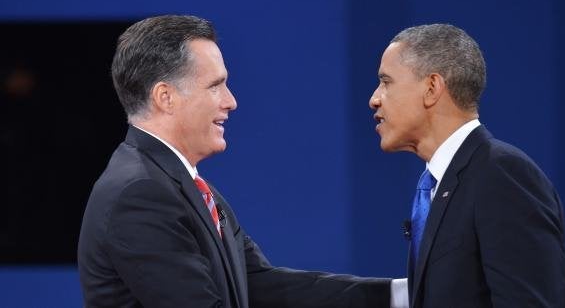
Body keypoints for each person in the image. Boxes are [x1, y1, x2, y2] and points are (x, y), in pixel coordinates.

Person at [78, 15, 406, 308]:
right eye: (215, 86)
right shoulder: (141, 193)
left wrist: (396, 295)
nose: (231, 101)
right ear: (166, 97)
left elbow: (258, 284)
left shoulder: (179, 185)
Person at [369, 24, 565, 307]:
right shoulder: (442, 183)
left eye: (386, 82)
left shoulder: (501, 174)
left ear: (431, 88)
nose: (374, 99)